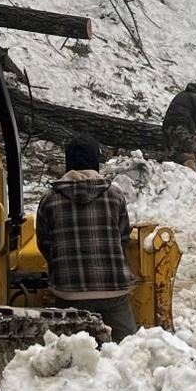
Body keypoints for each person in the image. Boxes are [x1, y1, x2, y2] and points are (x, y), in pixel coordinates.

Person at [36, 137, 138, 340]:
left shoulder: (49, 199)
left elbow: (45, 244)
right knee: (128, 349)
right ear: (95, 162)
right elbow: (124, 238)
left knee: (74, 353)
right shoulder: (115, 196)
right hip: (113, 289)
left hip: (68, 292)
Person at [163, 79, 196, 180]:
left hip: (167, 126)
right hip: (181, 126)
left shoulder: (183, 94)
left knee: (173, 154)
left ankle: (169, 179)